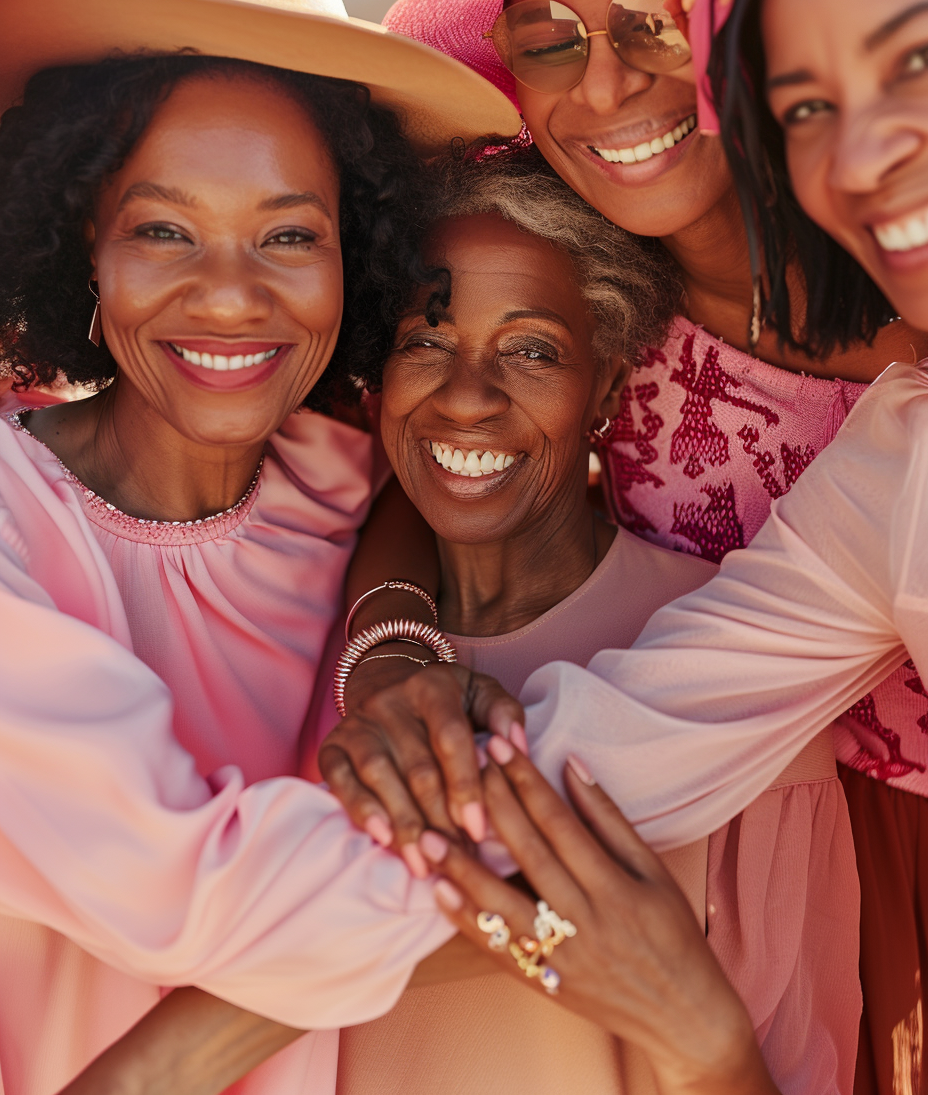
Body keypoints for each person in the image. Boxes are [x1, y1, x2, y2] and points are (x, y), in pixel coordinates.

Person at [71, 146, 853, 1094]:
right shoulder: (310, 628)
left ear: (606, 388)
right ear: (376, 379)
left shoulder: (723, 663)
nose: (468, 396)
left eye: (531, 350)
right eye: (426, 342)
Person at [371, 0, 928, 1095]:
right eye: (549, 39)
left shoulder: (892, 257)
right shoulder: (569, 298)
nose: (607, 81)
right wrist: (386, 652)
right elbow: (395, 463)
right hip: (729, 826)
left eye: (655, 16)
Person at [0, 0, 522, 1095]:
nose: (231, 295)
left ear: (363, 250)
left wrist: (394, 627)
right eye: (163, 230)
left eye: (290, 234)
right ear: (81, 239)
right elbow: (204, 893)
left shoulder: (369, 493)